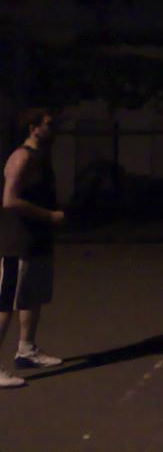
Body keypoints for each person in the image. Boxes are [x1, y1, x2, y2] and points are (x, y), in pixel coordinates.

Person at [0, 108, 66, 388]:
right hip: (18, 243)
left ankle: (26, 351)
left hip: (38, 241)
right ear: (33, 128)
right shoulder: (21, 157)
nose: (54, 128)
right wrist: (49, 216)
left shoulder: (42, 157)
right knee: (6, 304)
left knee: (33, 296)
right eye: (48, 124)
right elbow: (9, 200)